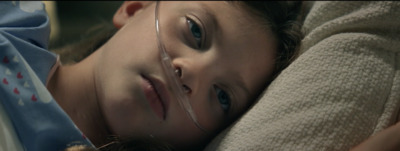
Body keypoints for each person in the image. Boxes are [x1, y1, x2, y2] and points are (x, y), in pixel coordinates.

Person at [0, 1, 302, 151]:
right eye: (195, 30)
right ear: (135, 8)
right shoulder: (15, 24)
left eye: (222, 96)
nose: (191, 76)